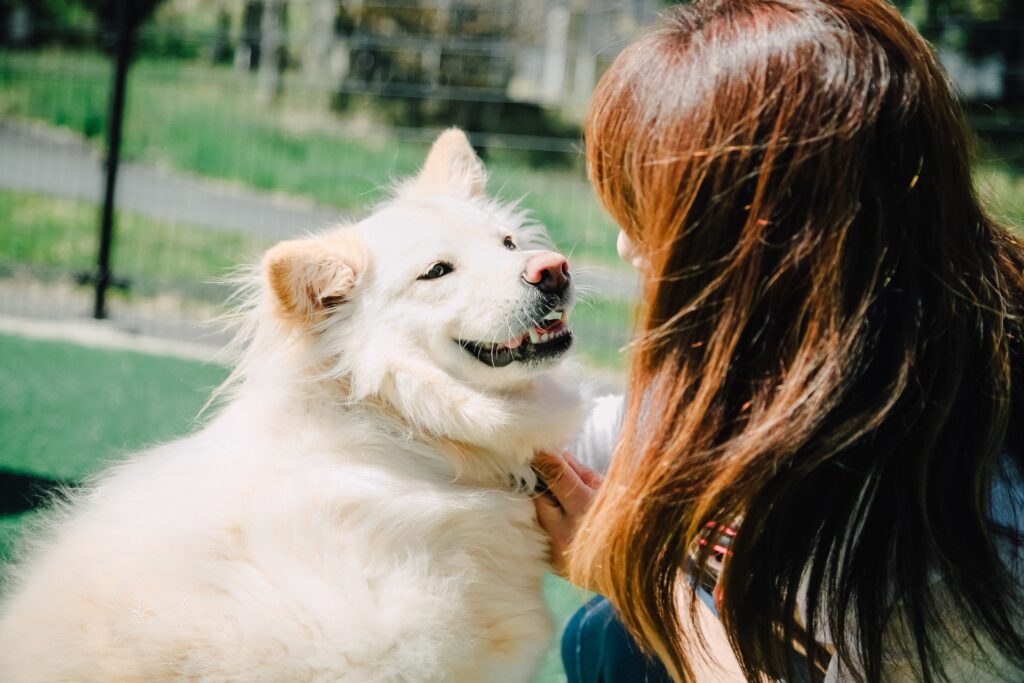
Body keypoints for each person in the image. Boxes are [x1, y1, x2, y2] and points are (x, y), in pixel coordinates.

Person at [532, 0, 1024, 681]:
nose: (625, 245)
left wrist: (636, 579)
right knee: (606, 637)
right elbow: (584, 444)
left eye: (655, 217)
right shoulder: (780, 366)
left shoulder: (952, 549)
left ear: (768, 245)